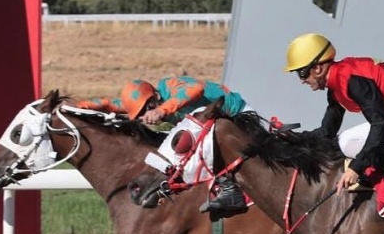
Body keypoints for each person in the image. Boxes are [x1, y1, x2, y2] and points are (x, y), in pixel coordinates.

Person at [284, 33, 384, 201]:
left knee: (347, 141)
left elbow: (380, 123)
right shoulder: (337, 84)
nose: (302, 81)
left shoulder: (351, 79)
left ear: (318, 68)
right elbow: (327, 132)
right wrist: (294, 138)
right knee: (344, 140)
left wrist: (356, 167)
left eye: (301, 73)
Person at [76, 76, 252, 214]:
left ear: (154, 98)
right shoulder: (147, 102)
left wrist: (162, 110)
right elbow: (108, 105)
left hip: (236, 115)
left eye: (146, 109)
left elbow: (196, 89)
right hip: (209, 127)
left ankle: (231, 190)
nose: (144, 115)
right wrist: (77, 106)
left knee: (207, 150)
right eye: (140, 113)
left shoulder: (170, 85)